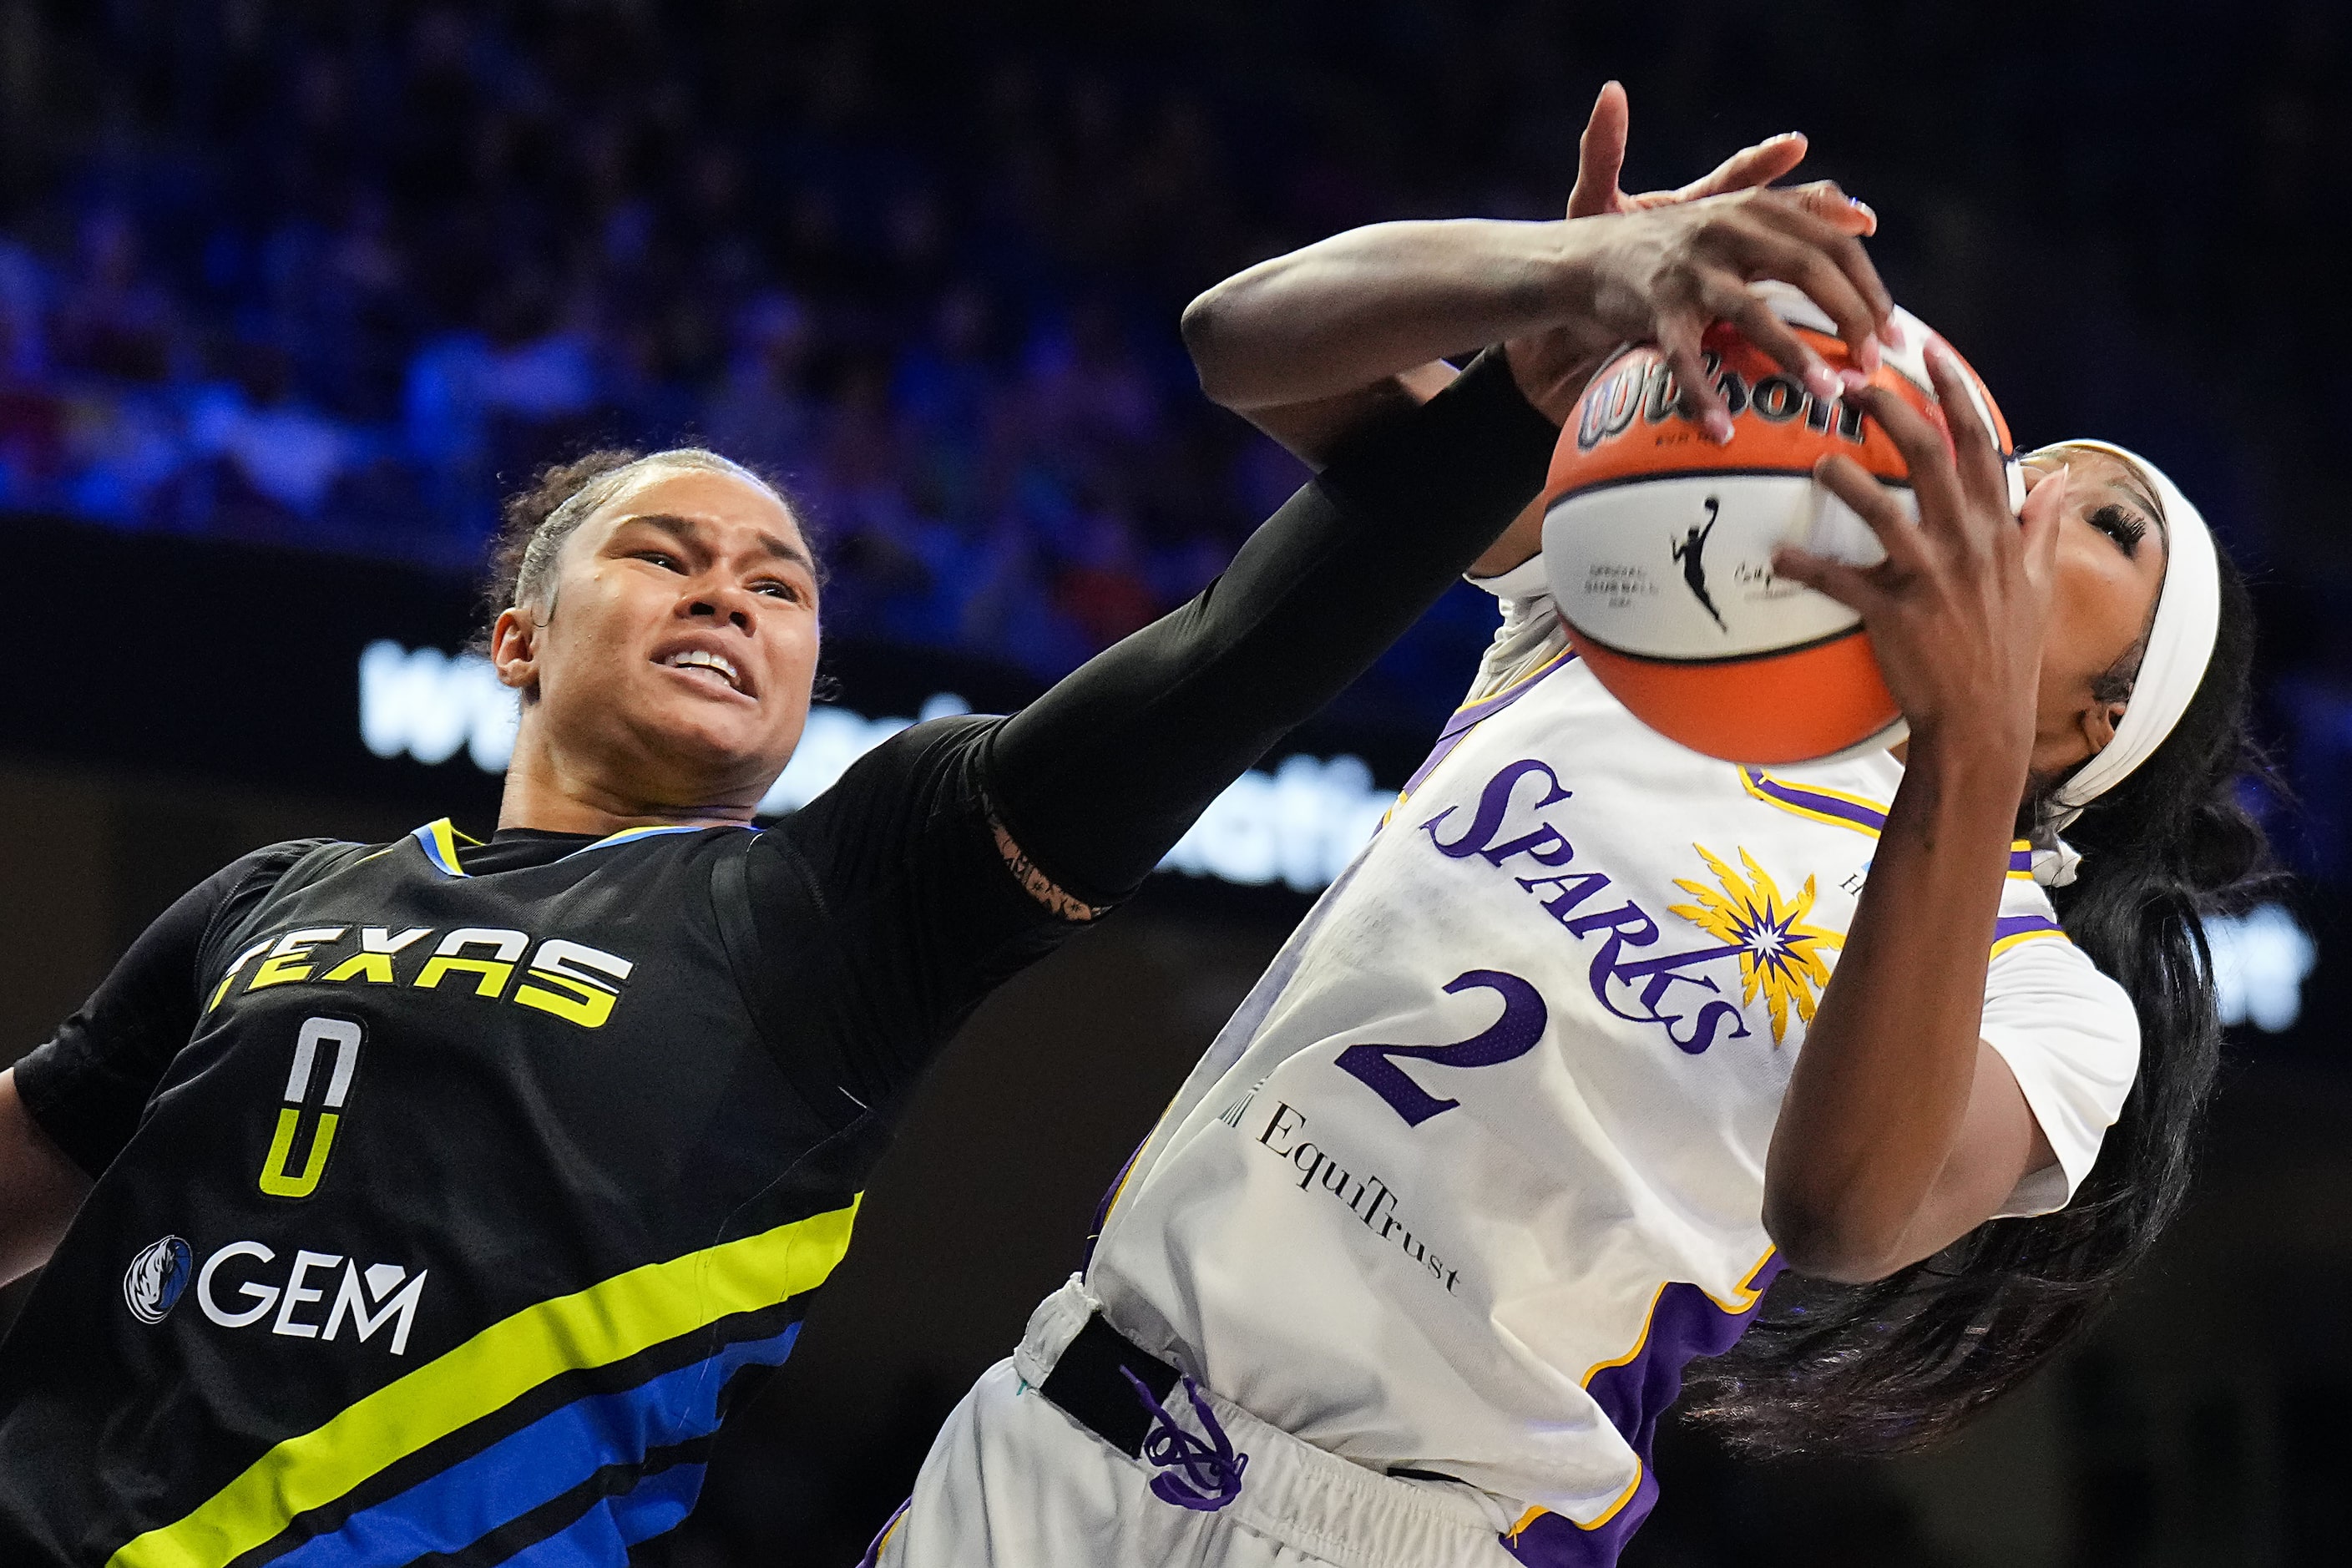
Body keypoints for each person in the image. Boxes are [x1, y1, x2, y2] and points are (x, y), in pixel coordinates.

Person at [0, 107, 1888, 1565]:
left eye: (780, 584)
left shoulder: (839, 897)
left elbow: (1235, 657)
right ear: (515, 636)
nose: (730, 598)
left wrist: (1525, 373)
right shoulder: (273, 900)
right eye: (665, 555)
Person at [867, 86, 2269, 1568]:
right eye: (2037, 458)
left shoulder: (2047, 995)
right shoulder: (1635, 622)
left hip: (1401, 1529)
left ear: (2099, 724)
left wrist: (1965, 749)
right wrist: (1548, 279)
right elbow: (1240, 339)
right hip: (1059, 1420)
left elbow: (1844, 1212)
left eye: (2105, 521)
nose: (2025, 483)